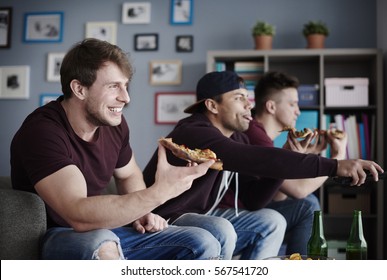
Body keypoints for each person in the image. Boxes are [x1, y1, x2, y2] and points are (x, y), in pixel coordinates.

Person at [10, 38, 225, 260]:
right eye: (114, 86)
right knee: (101, 244)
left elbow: (129, 173)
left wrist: (141, 213)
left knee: (202, 242)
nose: (126, 97)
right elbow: (77, 213)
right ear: (79, 89)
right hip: (59, 234)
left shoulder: (114, 124)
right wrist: (160, 192)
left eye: (125, 85)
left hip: (105, 228)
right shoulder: (42, 132)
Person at [142, 70, 383, 260]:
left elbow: (254, 201)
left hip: (204, 213)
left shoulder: (238, 136)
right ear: (212, 106)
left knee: (272, 220)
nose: (249, 105)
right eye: (239, 99)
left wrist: (284, 160)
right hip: (166, 216)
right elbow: (258, 158)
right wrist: (336, 166)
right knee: (221, 227)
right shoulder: (194, 131)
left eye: (248, 99)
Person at [236, 71, 348, 254]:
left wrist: (308, 155)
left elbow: (277, 194)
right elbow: (299, 190)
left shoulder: (262, 136)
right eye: (292, 104)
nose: (298, 111)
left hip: (251, 209)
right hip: (240, 215)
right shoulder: (257, 137)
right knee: (308, 204)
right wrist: (338, 155)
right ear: (271, 106)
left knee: (306, 203)